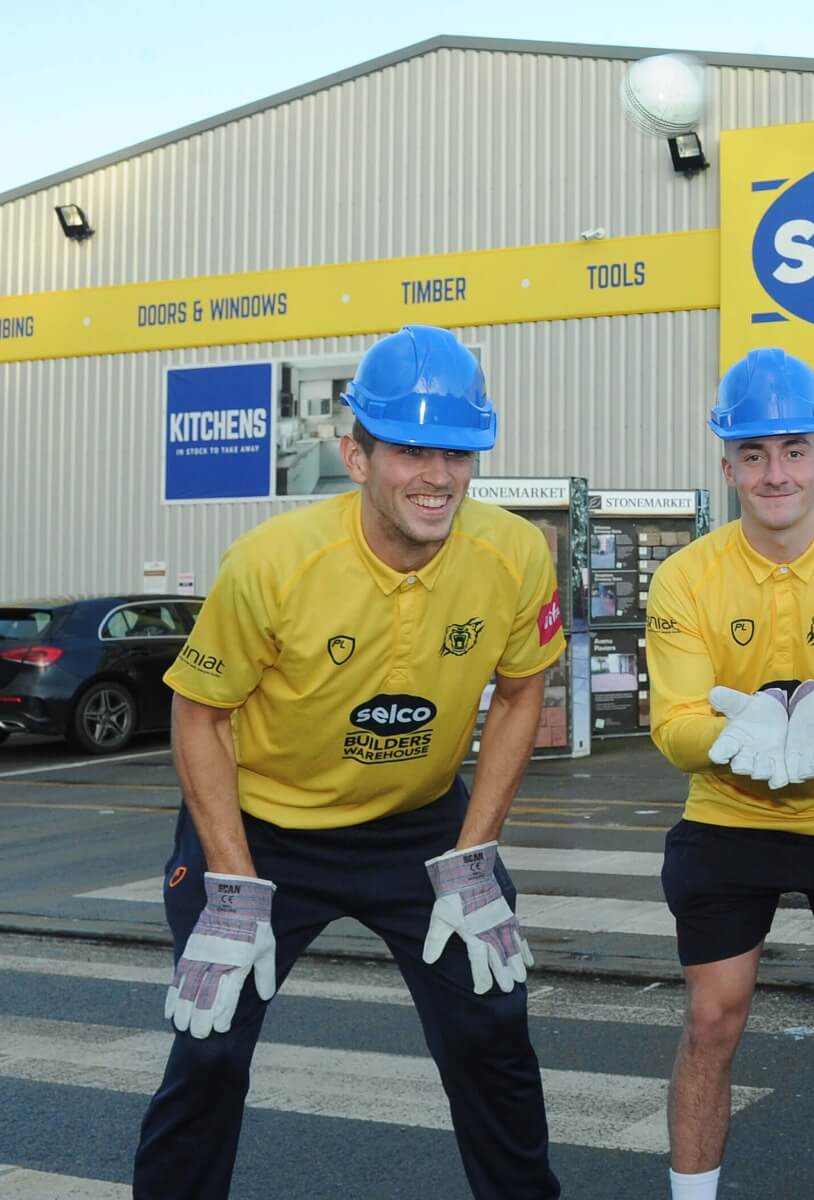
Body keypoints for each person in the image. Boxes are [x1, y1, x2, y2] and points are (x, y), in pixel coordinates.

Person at [134, 325, 565, 1199]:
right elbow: (199, 714)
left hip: (418, 827)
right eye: (409, 450)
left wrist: (473, 859)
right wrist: (230, 882)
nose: (437, 477)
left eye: (456, 451)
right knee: (209, 1051)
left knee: (493, 1031)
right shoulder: (273, 564)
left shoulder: (514, 554)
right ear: (356, 455)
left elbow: (523, 692)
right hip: (266, 832)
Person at [644, 348, 814, 1200]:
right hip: (728, 818)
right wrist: (743, 738)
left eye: (794, 449)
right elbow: (674, 724)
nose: (776, 472)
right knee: (711, 1018)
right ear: (727, 463)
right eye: (755, 453)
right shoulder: (684, 576)